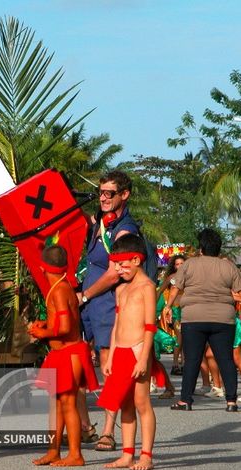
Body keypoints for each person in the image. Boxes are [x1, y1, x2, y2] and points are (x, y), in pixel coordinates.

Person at [77, 170, 139, 451]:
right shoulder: (99, 221)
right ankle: (84, 426)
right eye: (101, 192)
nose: (103, 198)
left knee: (108, 365)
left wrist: (85, 294)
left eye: (109, 194)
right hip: (88, 299)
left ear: (124, 195)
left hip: (105, 300)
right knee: (76, 361)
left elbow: (116, 272)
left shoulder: (125, 229)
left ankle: (108, 430)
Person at [165, 228, 241, 412]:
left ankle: (185, 400)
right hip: (223, 319)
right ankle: (231, 401)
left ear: (201, 249)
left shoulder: (189, 265)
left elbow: (175, 288)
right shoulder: (229, 266)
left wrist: (168, 306)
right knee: (226, 360)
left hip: (193, 318)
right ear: (218, 249)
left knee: (192, 360)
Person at [29, 245, 99, 467]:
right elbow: (61, 321)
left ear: (42, 267)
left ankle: (76, 454)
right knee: (58, 404)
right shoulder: (62, 286)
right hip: (63, 352)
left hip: (70, 352)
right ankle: (54, 451)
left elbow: (66, 326)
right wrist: (47, 324)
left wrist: (43, 332)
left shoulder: (59, 290)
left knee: (68, 403)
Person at [96, 235, 157, 470]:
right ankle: (126, 454)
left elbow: (150, 326)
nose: (118, 270)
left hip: (137, 350)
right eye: (116, 265)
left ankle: (146, 455)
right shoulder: (121, 289)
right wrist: (110, 356)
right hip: (119, 350)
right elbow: (117, 324)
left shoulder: (147, 287)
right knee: (125, 404)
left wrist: (143, 358)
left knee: (142, 402)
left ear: (136, 259)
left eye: (122, 265)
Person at [157, 254, 186, 376]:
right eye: (177, 264)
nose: (179, 266)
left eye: (182, 264)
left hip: (188, 310)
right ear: (174, 266)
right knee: (180, 337)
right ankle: (175, 364)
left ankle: (184, 364)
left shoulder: (190, 277)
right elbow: (159, 292)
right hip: (175, 312)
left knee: (185, 338)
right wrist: (154, 308)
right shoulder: (171, 278)